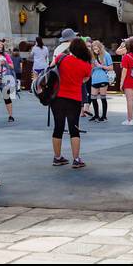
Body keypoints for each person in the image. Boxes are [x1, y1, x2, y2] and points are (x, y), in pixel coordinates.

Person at [50, 35, 90, 168]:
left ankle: (57, 157)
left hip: (57, 97)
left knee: (58, 127)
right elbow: (84, 80)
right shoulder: (86, 65)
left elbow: (51, 69)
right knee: (74, 129)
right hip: (74, 99)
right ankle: (76, 159)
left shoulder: (61, 58)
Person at [87, 39, 113, 122]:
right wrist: (92, 67)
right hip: (94, 78)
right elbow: (90, 69)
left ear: (100, 47)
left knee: (103, 97)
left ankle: (104, 116)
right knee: (93, 97)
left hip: (103, 78)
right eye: (93, 49)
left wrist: (101, 66)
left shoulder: (106, 55)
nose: (95, 50)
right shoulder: (92, 56)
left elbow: (111, 68)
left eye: (96, 48)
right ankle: (96, 115)